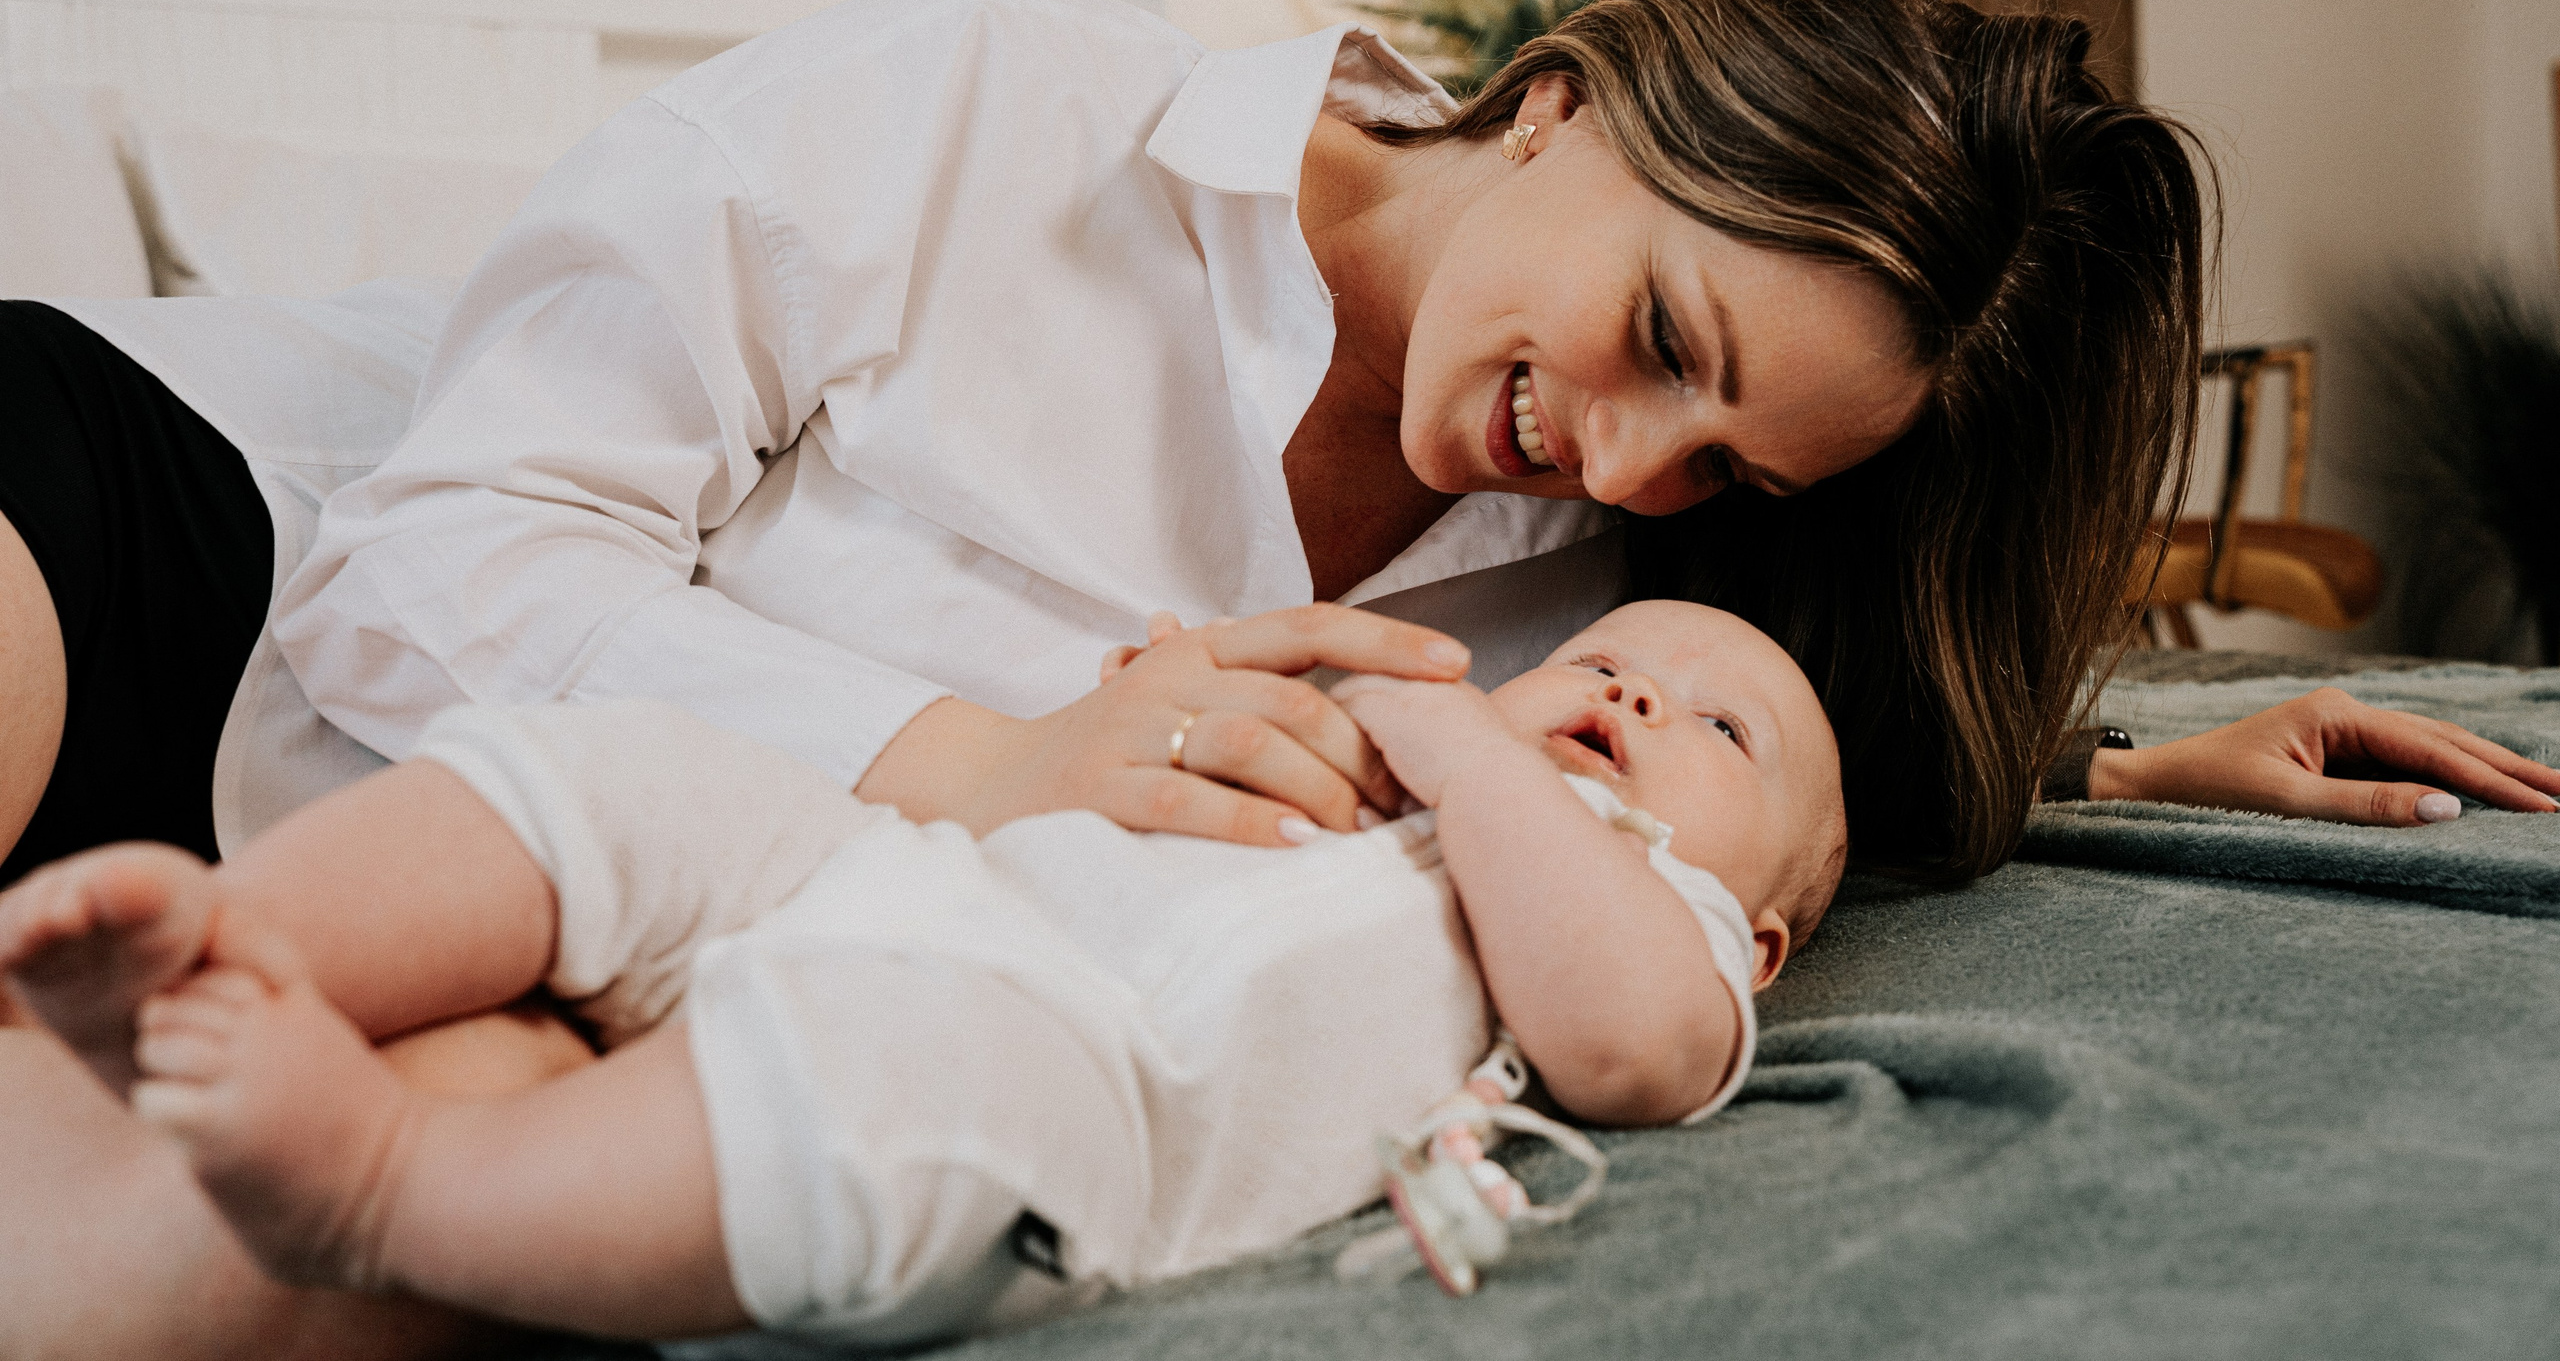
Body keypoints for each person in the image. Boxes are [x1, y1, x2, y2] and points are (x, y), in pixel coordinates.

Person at [5, 0, 2557, 1359]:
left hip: (540, 940)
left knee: (305, 1254)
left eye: (1729, 471)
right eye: (1666, 329)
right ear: (1558, 98)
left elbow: (1711, 798)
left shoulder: (1582, 588)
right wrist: (985, 756)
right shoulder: (996, 112)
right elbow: (448, 545)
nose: (1641, 454)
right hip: (217, 545)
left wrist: (2109, 757)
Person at [0, 599, 1845, 1348]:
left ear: (1762, 934)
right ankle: (262, 935)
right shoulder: (1404, 766)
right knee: (645, 775)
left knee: (907, 1103)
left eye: (1717, 728)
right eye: (1607, 656)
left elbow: (1623, 1044)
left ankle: (389, 1187)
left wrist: (1471, 755)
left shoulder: (1664, 931)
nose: (1628, 695)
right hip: (917, 879)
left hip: (1081, 1070)